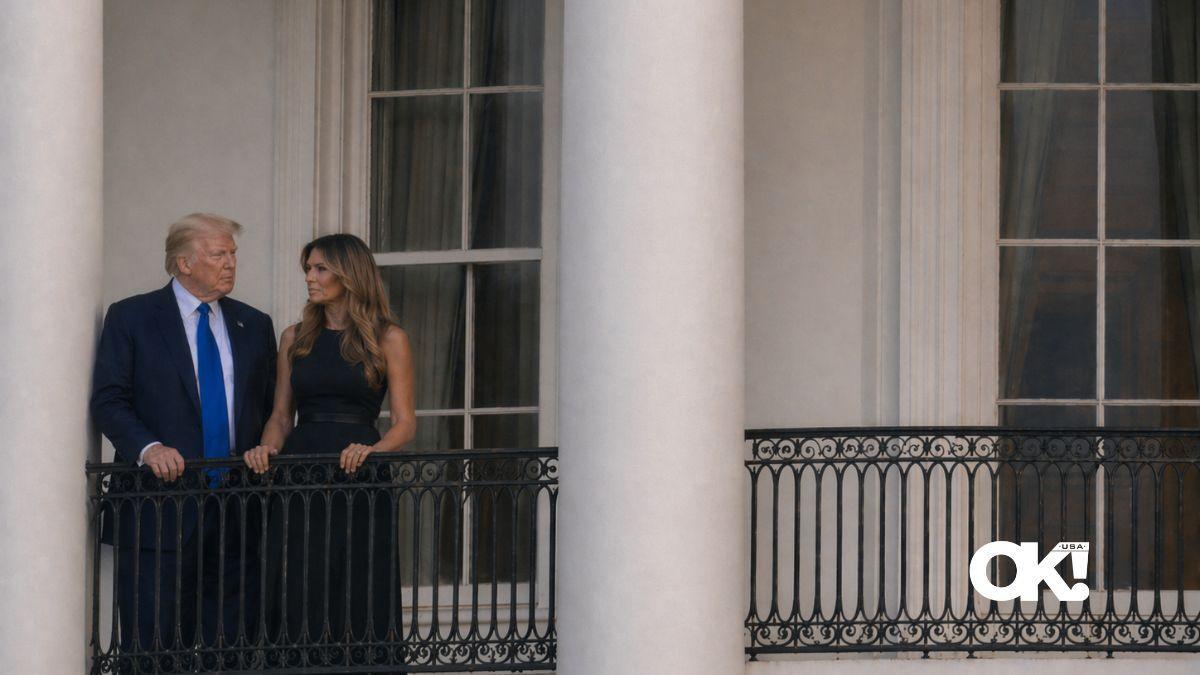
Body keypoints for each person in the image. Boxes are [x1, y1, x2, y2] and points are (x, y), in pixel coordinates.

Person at [90, 213, 277, 665]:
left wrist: (265, 448)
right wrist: (149, 448)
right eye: (219, 254)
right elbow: (109, 400)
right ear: (183, 263)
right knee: (152, 650)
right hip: (159, 510)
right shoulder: (132, 317)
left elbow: (272, 408)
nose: (230, 263)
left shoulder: (254, 324)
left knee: (232, 650)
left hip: (237, 510)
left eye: (233, 254)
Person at [243, 233, 416, 650]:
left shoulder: (389, 337)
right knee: (298, 581)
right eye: (308, 268)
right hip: (300, 470)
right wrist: (267, 448)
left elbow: (406, 423)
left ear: (349, 274)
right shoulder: (294, 337)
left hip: (360, 473)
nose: (309, 277)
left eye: (319, 268)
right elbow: (281, 416)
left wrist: (373, 452)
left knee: (357, 582)